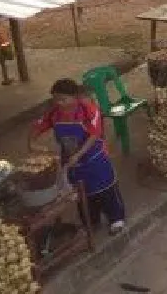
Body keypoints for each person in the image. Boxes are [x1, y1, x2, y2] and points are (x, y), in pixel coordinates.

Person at [29, 79, 126, 235]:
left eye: (63, 99)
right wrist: (32, 142)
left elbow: (95, 134)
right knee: (83, 194)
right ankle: (91, 222)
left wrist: (78, 155)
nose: (59, 103)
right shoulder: (54, 114)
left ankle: (116, 219)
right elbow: (38, 126)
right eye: (55, 99)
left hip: (94, 158)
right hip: (72, 161)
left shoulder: (88, 110)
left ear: (75, 97)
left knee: (105, 189)